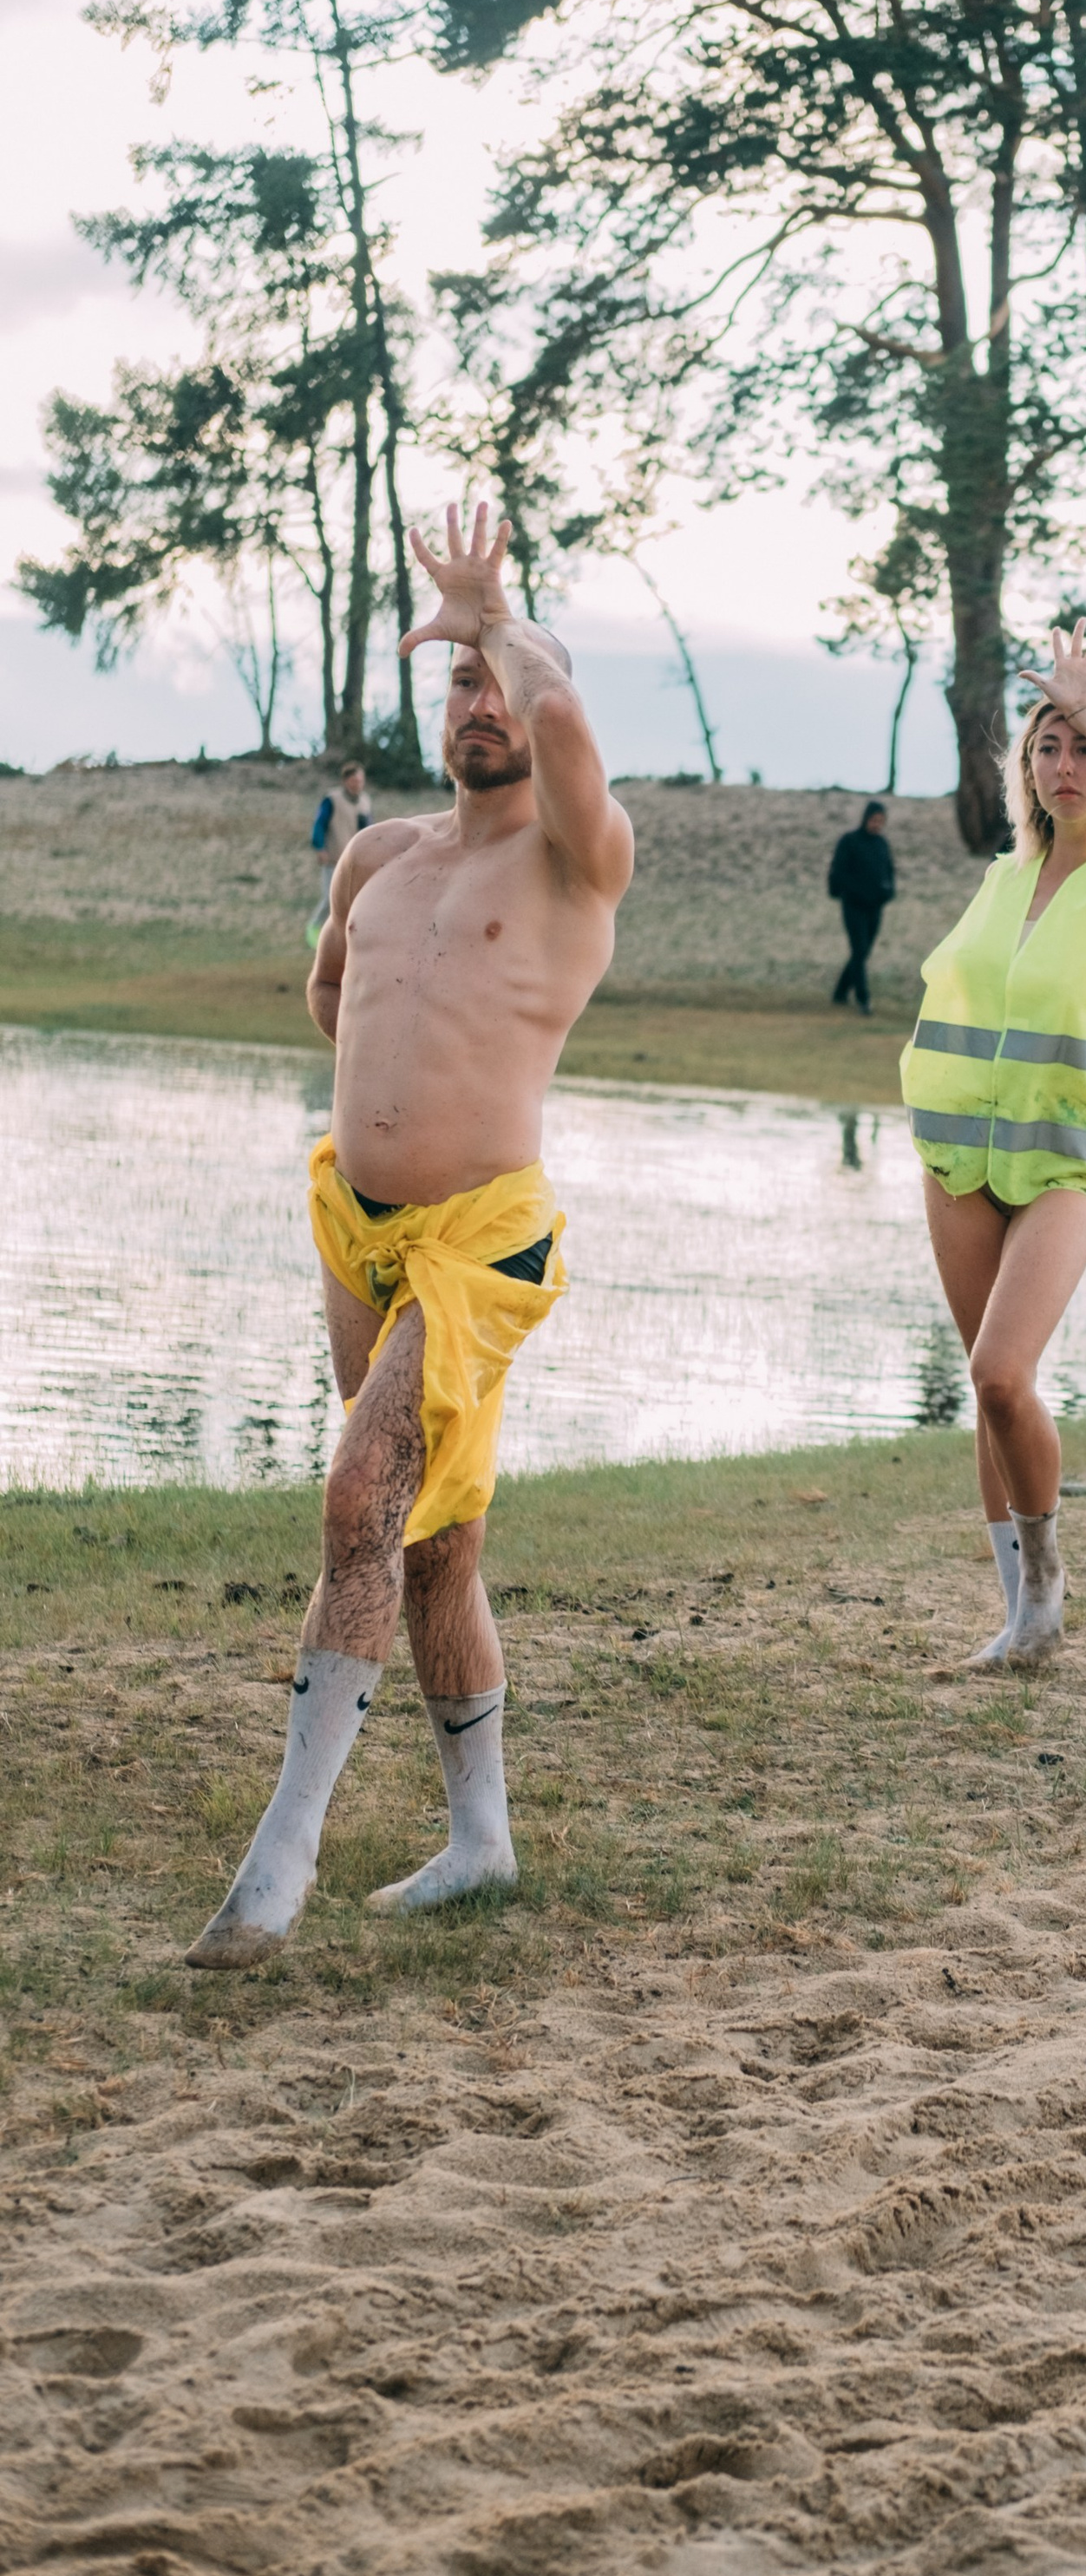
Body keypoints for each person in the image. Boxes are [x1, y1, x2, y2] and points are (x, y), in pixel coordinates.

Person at [186, 505, 635, 1968]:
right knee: (430, 1543)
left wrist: (496, 617)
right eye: (460, 680)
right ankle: (482, 1844)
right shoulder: (377, 853)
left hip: (486, 1242)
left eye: (504, 681)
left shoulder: (581, 860)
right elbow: (335, 999)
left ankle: (279, 1865)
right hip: (355, 1231)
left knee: (359, 1491)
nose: (484, 701)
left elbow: (560, 718)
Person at [901, 624, 1086, 1668]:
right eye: (1049, 747)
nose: (1066, 765)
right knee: (985, 1393)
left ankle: (1050, 1578)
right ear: (1028, 766)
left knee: (1005, 1373)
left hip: (1062, 1159)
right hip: (957, 1156)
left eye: (1084, 749)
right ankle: (1021, 1617)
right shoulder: (998, 877)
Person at [828, 799, 896, 1013]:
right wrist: (854, 891)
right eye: (874, 820)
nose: (877, 824)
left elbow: (889, 872)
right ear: (866, 818)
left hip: (875, 907)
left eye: (881, 821)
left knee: (864, 951)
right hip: (853, 905)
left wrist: (887, 892)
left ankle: (840, 992)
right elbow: (839, 872)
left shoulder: (882, 844)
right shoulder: (850, 841)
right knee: (858, 949)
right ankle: (863, 998)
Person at [309, 760, 371, 936]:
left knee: (354, 900)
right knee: (330, 900)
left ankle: (345, 936)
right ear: (346, 781)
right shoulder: (332, 800)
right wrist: (319, 847)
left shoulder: (365, 802)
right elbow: (319, 824)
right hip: (333, 858)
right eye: (354, 781)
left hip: (355, 861)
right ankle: (315, 928)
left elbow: (367, 829)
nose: (357, 784)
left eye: (360, 781)